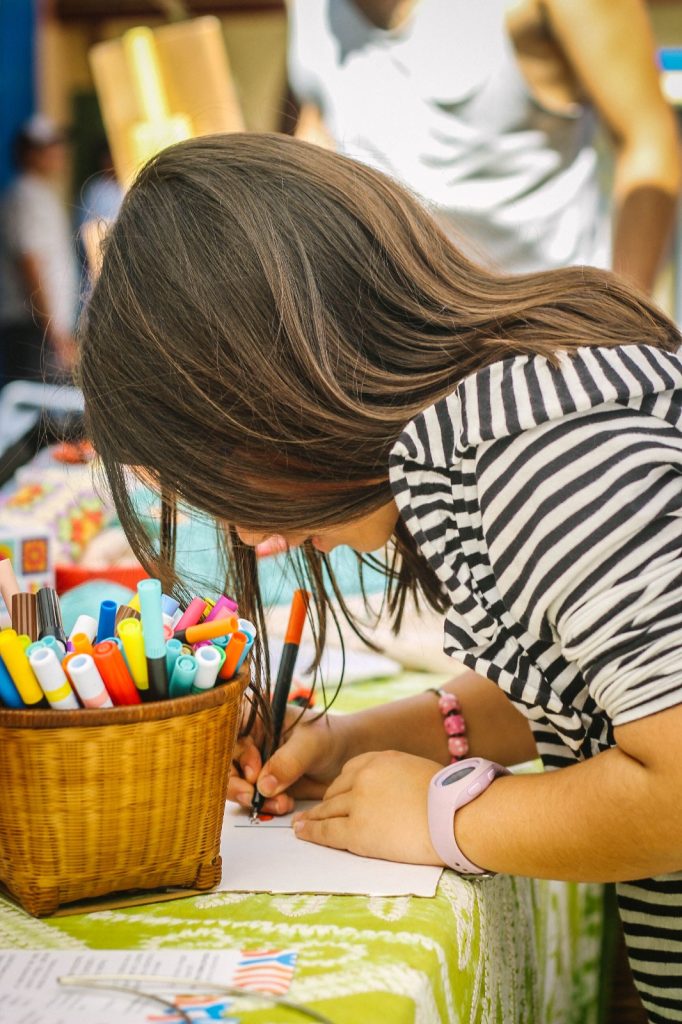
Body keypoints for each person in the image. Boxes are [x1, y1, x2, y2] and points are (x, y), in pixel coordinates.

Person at [79, 134, 682, 1024]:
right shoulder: (495, 435)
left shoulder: (541, 456)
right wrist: (351, 745)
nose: (247, 533)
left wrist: (449, 822)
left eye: (224, 482)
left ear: (278, 390)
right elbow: (592, 691)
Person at [288, 0, 681, 294]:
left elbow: (648, 140)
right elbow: (322, 119)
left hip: (549, 332)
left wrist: (618, 328)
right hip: (396, 335)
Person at [0, 115, 79, 385]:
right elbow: (30, 263)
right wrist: (53, 332)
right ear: (30, 153)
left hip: (42, 329)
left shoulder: (40, 194)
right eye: (50, 146)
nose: (59, 152)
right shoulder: (25, 195)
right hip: (34, 329)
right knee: (39, 405)